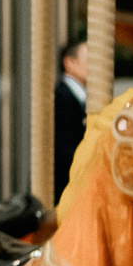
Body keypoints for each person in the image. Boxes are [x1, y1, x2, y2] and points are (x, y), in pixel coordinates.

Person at [53, 38, 88, 198]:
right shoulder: (61, 98)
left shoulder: (79, 98)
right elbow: (64, 150)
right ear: (69, 63)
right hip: (65, 189)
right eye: (89, 60)